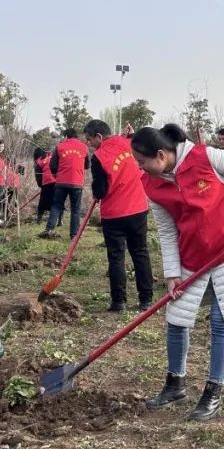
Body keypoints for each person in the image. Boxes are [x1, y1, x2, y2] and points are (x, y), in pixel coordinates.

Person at [131, 124, 224, 421]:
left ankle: (213, 392)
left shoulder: (205, 157)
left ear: (160, 155)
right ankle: (175, 384)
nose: (139, 167)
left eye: (142, 162)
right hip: (192, 258)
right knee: (177, 320)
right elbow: (168, 231)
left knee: (222, 321)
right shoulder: (152, 184)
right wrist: (172, 273)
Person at [84, 119, 155, 312]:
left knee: (116, 256)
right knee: (140, 253)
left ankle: (119, 302)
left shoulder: (99, 156)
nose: (89, 144)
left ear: (99, 136)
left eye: (90, 140)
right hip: (138, 209)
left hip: (114, 213)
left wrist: (95, 190)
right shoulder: (131, 145)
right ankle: (146, 300)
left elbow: (100, 191)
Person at [42, 128, 89, 239]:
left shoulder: (59, 147)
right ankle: (74, 235)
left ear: (66, 136)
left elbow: (52, 166)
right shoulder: (84, 147)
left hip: (61, 182)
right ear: (76, 136)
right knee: (75, 209)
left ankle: (49, 229)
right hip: (77, 183)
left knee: (56, 206)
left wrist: (56, 176)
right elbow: (87, 165)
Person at [33, 146, 58, 225]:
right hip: (57, 182)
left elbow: (38, 177)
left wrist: (41, 185)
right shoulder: (52, 157)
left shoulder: (39, 162)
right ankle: (58, 220)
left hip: (47, 183)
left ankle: (39, 219)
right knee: (57, 202)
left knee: (42, 202)